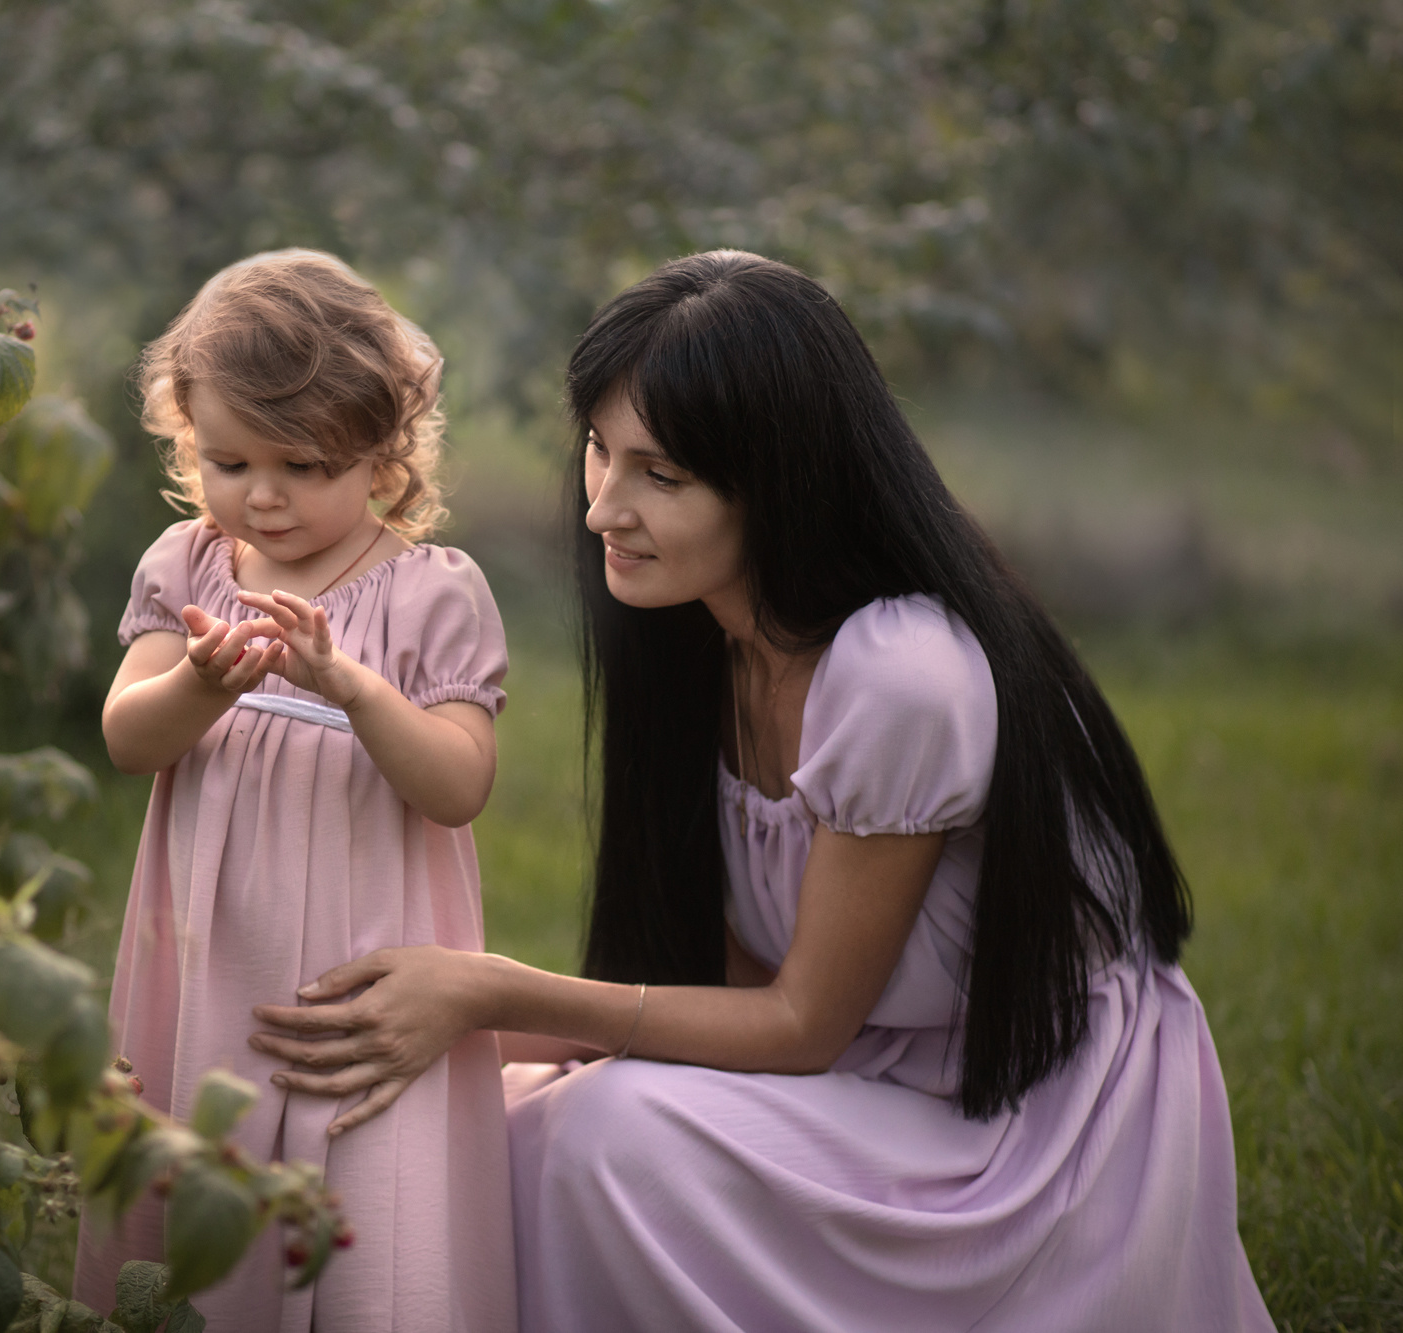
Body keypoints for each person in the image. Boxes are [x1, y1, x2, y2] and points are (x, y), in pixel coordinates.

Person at [250, 251, 1274, 1331]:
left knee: (605, 1136)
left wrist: (488, 993)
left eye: (661, 475)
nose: (602, 507)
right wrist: (430, 1045)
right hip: (872, 1078)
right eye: (599, 449)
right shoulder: (703, 643)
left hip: (1028, 1139)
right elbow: (731, 988)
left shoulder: (899, 676)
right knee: (481, 1129)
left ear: (779, 484)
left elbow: (801, 1024)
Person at [75, 250, 516, 1332]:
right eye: (227, 460)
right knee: (201, 1207)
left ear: (380, 455)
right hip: (209, 965)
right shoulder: (188, 569)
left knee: (371, 1230)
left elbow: (458, 785)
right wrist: (198, 682)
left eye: (301, 465)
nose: (260, 495)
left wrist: (356, 689)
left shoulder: (428, 597)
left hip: (369, 987)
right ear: (186, 439)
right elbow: (129, 740)